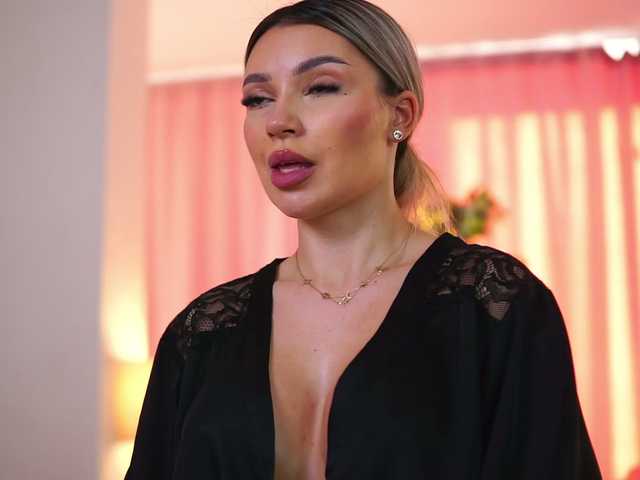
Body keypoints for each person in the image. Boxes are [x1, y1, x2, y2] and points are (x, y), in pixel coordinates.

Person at [125, 1, 602, 478]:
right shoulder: (201, 334)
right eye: (257, 99)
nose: (278, 121)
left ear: (401, 115)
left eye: (320, 88)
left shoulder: (493, 307)